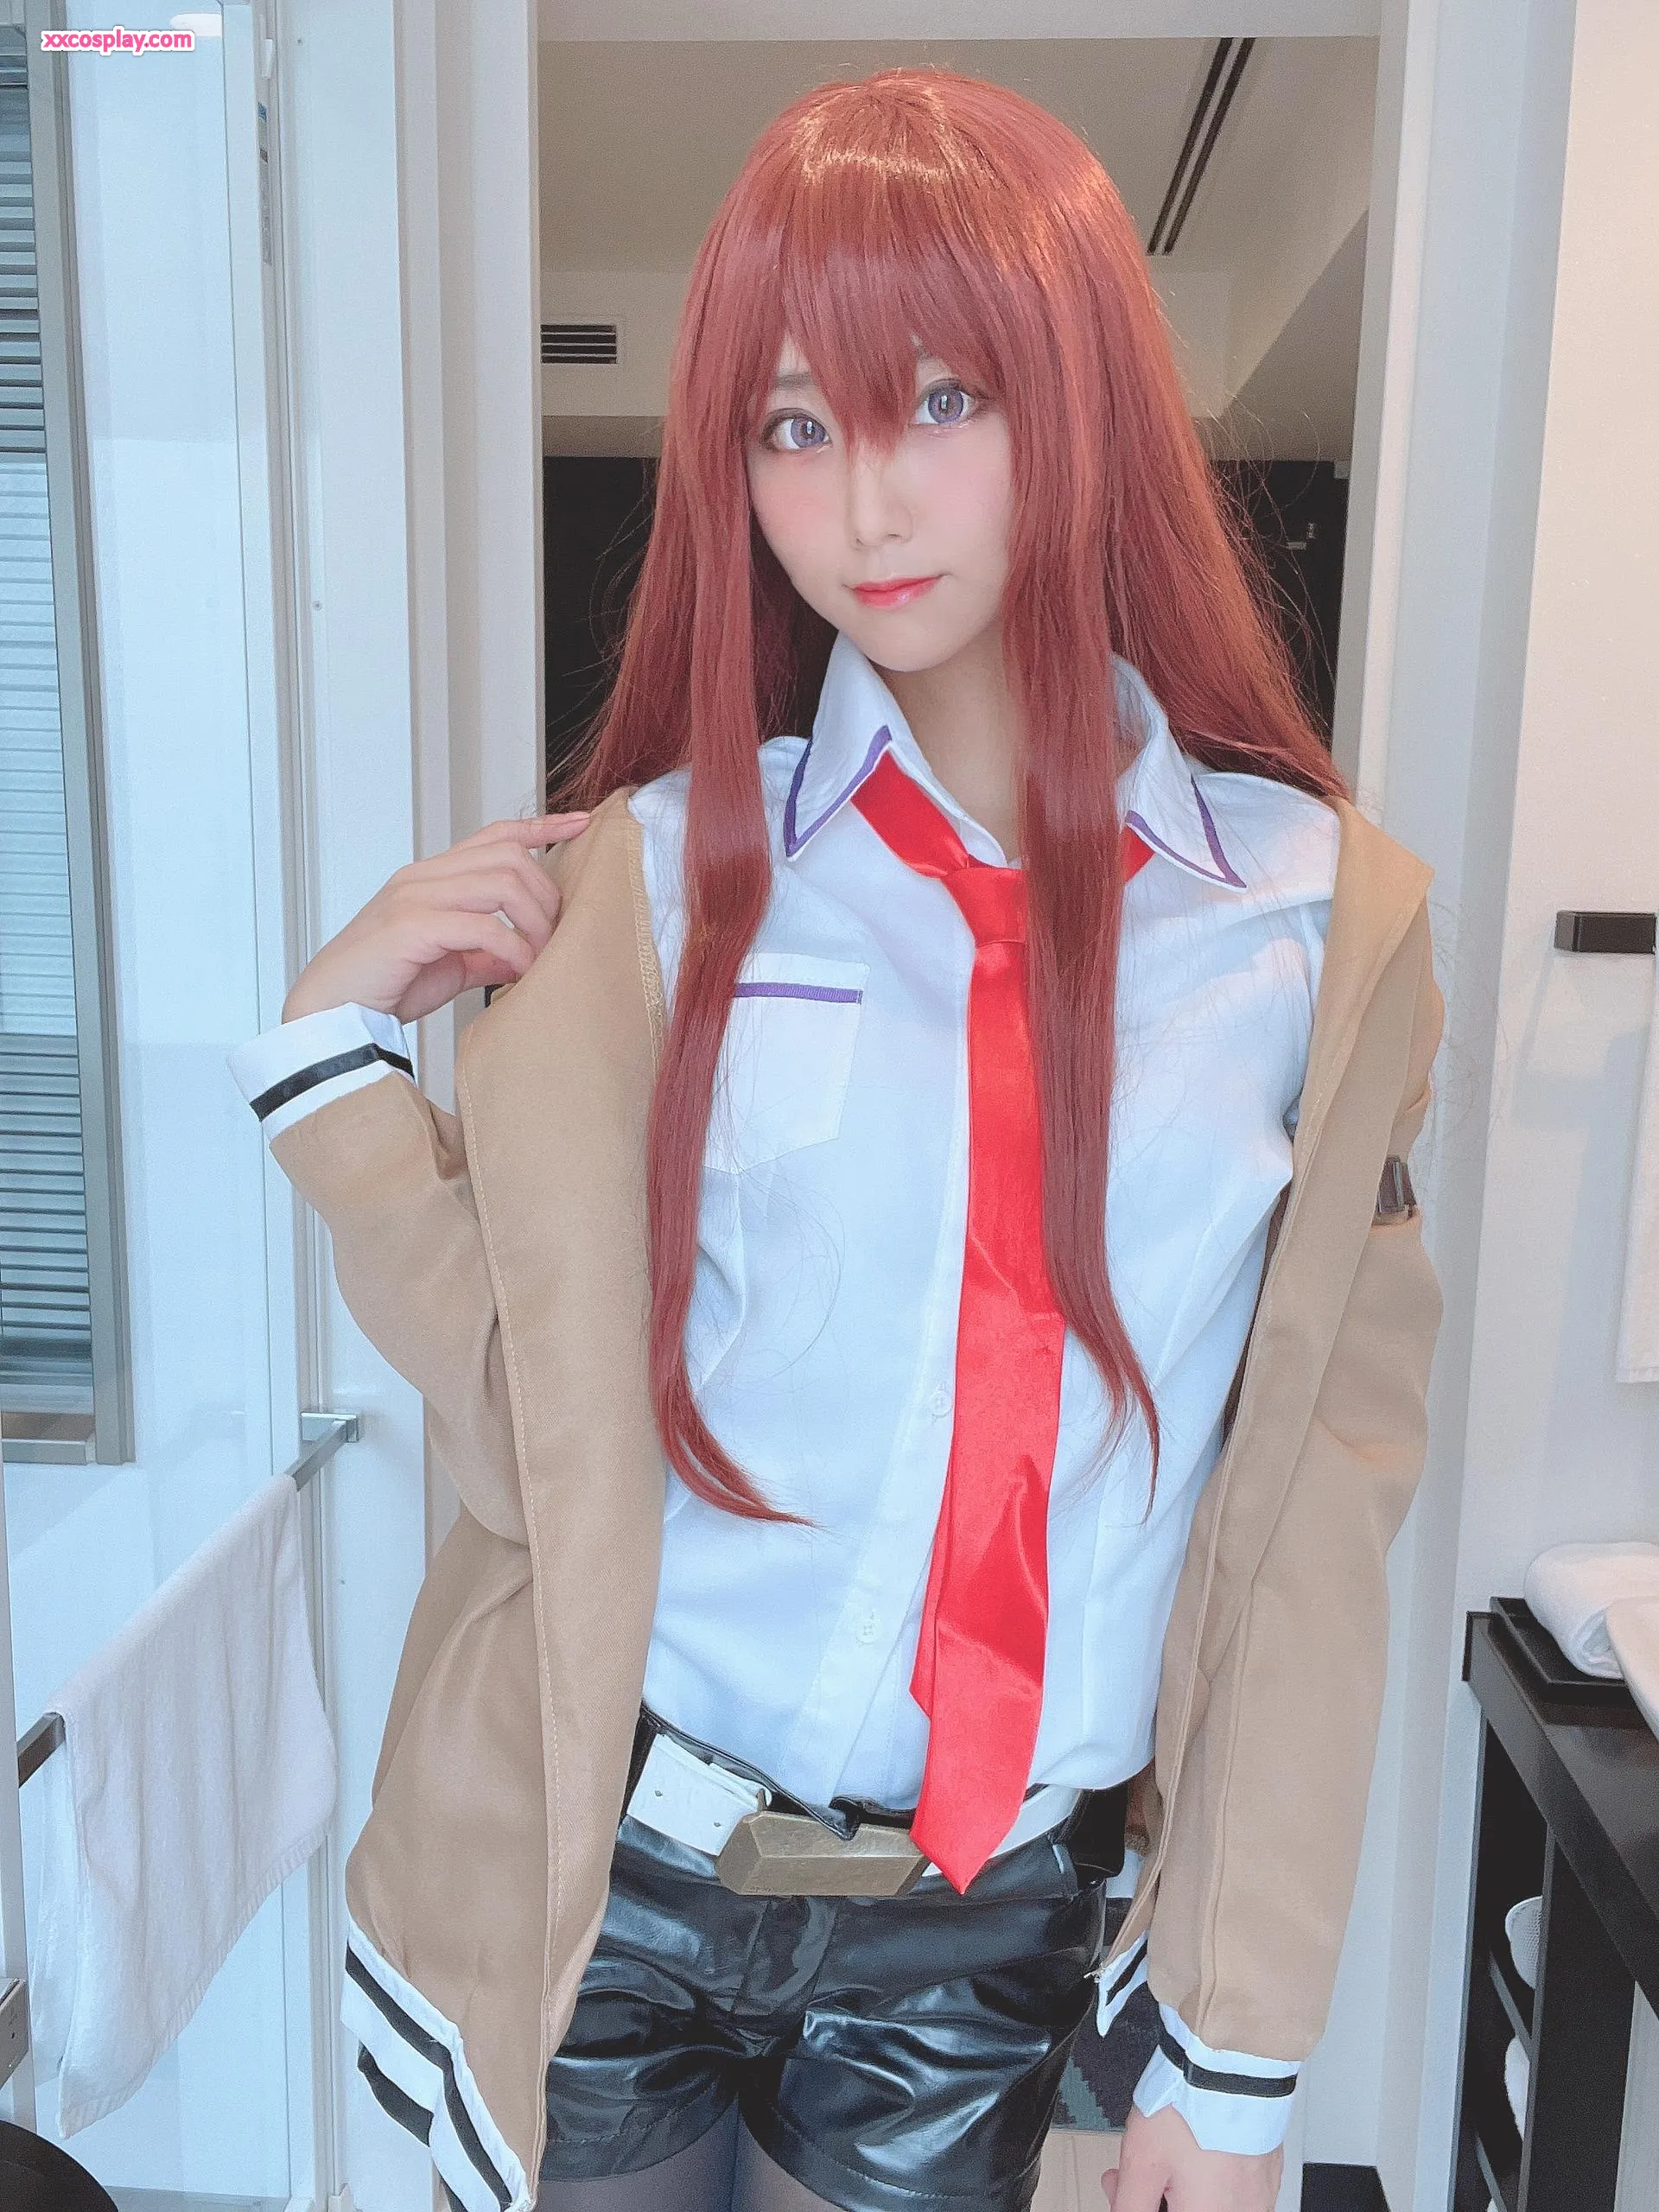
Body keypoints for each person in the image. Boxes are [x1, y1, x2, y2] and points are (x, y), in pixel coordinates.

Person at [230, 70, 1442, 2212]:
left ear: (1083, 397)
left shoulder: (1312, 934)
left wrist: (1234, 2047)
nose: (866, 499)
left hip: (979, 1916)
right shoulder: (656, 885)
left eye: (943, 397)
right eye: (794, 425)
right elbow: (541, 1435)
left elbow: (1303, 1533)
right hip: (609, 1861)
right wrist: (333, 1067)